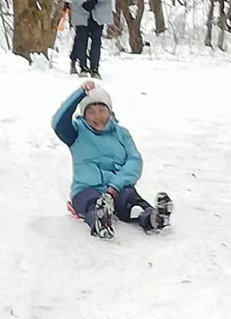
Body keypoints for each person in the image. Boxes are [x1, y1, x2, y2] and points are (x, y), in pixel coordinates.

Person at [51, 82, 172, 240]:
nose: (98, 116)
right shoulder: (75, 133)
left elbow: (134, 161)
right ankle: (100, 221)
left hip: (118, 188)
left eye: (102, 110)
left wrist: (115, 186)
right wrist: (80, 93)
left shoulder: (121, 133)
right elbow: (58, 122)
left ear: (110, 111)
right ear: (84, 115)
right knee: (91, 203)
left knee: (131, 201)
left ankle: (153, 218)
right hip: (86, 189)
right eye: (91, 112)